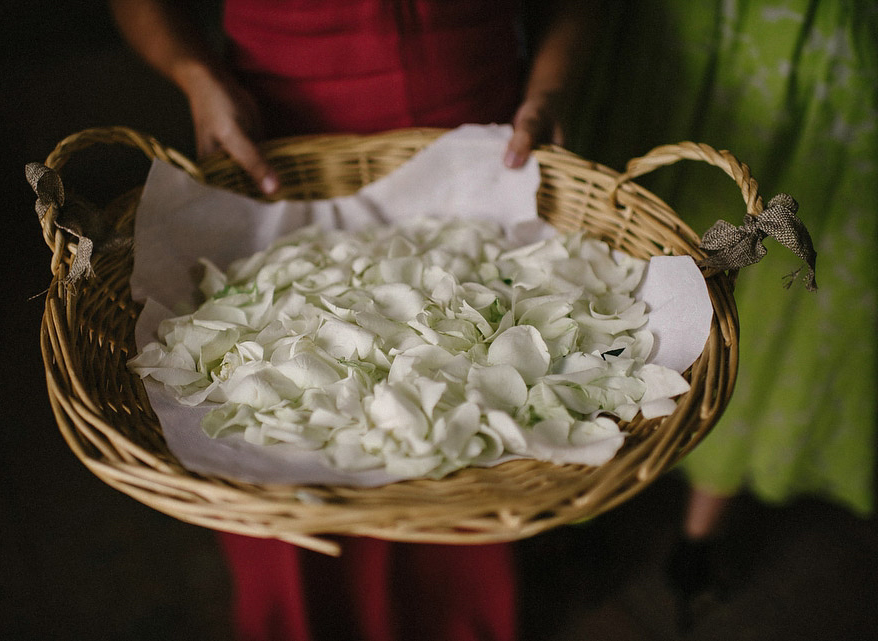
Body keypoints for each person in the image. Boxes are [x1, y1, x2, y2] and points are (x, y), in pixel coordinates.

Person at [108, 1, 600, 639]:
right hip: (283, 154)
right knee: (289, 500)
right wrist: (195, 75)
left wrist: (550, 87)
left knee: (465, 481)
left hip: (477, 158)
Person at [566, 0, 877, 624]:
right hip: (685, 38)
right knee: (618, 269)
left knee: (764, 314)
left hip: (827, 53)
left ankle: (695, 537)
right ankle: (586, 475)